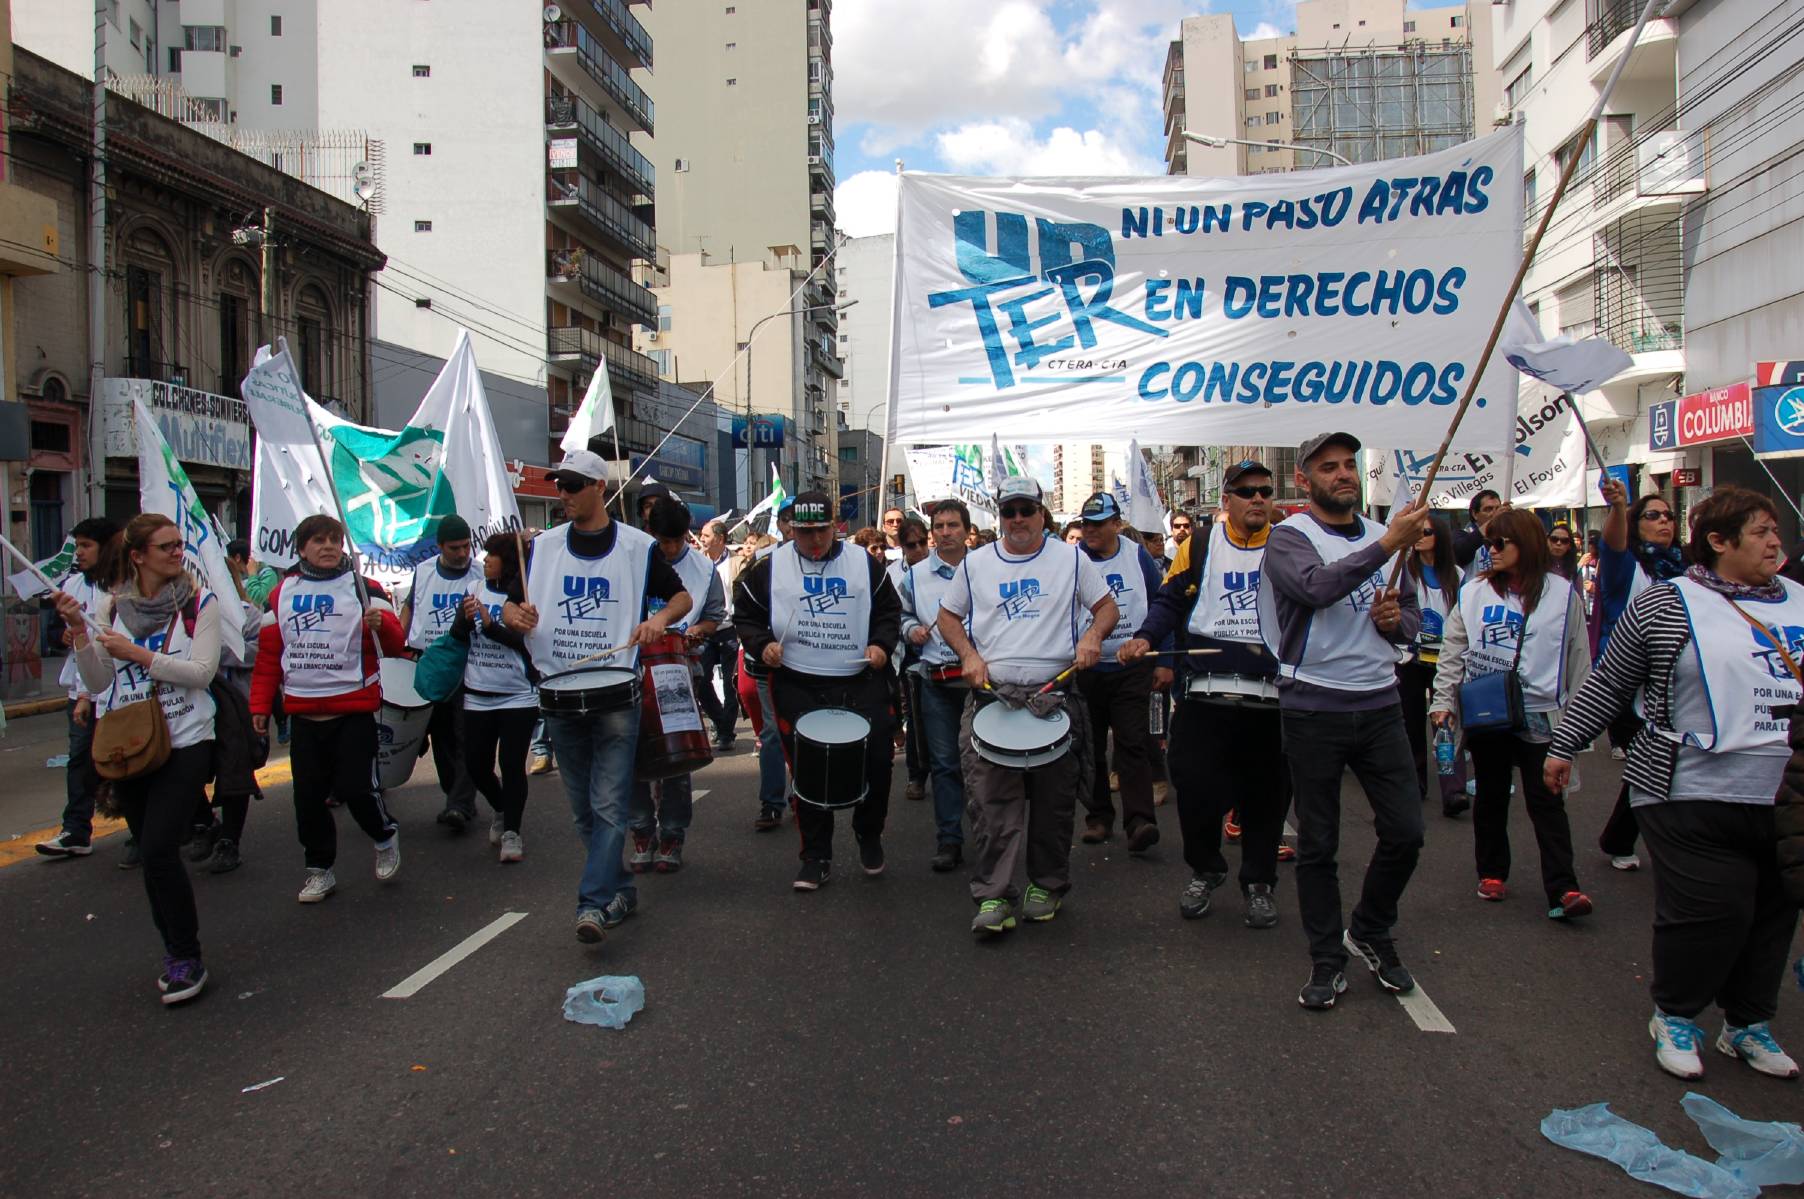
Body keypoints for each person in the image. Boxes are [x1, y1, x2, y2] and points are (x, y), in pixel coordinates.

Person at [1546, 486, 1801, 1081]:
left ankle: (1747, 1024)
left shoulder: (1800, 602)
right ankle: (1677, 1015)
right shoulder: (1666, 604)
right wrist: (1564, 745)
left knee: (1774, 911)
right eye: (1759, 531)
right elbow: (1611, 682)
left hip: (1785, 795)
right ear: (1718, 542)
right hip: (1686, 788)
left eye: (1774, 530)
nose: (1773, 541)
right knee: (1715, 909)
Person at [1258, 431, 1433, 1010]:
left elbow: (1410, 618)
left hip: (1381, 704)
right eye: (1328, 467)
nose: (1343, 475)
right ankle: (1327, 960)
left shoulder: (1389, 538)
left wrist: (1393, 622)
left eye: (1349, 465)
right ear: (1305, 479)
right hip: (1313, 706)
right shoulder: (1290, 537)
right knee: (1319, 844)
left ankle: (1372, 929)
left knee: (1406, 831)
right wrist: (1388, 549)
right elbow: (1315, 588)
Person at [500, 450, 691, 943]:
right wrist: (509, 615)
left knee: (608, 805)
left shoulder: (636, 547)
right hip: (558, 694)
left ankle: (592, 903)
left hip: (615, 695)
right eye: (558, 485)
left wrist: (657, 620)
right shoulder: (539, 547)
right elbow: (503, 604)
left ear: (598, 489)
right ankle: (620, 890)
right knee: (584, 810)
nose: (561, 494)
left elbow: (681, 597)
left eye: (571, 485)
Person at [936, 477, 1118, 934]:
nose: (1017, 519)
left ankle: (1047, 885)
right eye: (1009, 511)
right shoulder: (976, 564)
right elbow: (947, 617)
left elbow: (1106, 608)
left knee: (1054, 805)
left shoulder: (1071, 559)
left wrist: (1094, 637)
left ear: (1042, 514)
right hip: (993, 697)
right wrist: (970, 656)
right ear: (999, 517)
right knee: (991, 805)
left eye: (1026, 510)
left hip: (1054, 695)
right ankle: (994, 896)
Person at [56, 513, 221, 1005]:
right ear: (138, 555)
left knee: (155, 849)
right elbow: (100, 679)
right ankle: (175, 949)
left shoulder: (199, 603)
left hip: (186, 740)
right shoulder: (109, 605)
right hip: (130, 743)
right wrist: (81, 634)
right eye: (166, 547)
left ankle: (186, 957)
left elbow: (203, 672)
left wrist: (140, 654)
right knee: (155, 858)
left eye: (178, 545)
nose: (176, 553)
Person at [1121, 459, 1289, 928]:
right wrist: (1146, 639)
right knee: (1195, 789)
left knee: (1266, 797)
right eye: (1247, 490)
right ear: (1227, 500)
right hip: (1204, 698)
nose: (1258, 498)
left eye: (1264, 490)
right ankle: (1205, 868)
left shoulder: (1289, 544)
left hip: (1270, 699)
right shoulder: (1197, 545)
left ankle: (1259, 882)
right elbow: (1170, 601)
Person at [1430, 510, 1593, 918]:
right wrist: (1443, 703)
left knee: (1547, 801)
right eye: (1489, 543)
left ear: (1528, 544)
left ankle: (1563, 888)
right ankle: (1491, 872)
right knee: (1490, 793)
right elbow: (1454, 651)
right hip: (1489, 712)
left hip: (1542, 714)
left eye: (1502, 543)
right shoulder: (1475, 591)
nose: (1492, 550)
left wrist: (1580, 725)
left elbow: (1579, 658)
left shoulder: (1562, 593)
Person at [734, 491, 900, 890]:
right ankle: (815, 855)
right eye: (805, 532)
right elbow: (747, 613)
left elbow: (888, 611)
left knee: (877, 760)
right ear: (791, 528)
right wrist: (762, 645)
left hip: (859, 679)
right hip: (798, 681)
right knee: (808, 770)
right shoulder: (769, 567)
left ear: (835, 526)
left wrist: (880, 644)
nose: (814, 540)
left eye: (822, 530)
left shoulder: (863, 563)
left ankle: (869, 831)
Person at [249, 515, 407, 903]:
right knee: (308, 797)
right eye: (318, 540)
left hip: (353, 709)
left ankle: (384, 834)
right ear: (301, 548)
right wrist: (259, 704)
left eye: (334, 540)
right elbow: (270, 654)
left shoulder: (365, 588)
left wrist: (381, 623)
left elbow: (396, 645)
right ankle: (319, 869)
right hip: (303, 713)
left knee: (357, 788)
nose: (328, 547)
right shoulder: (282, 592)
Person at [628, 497, 726, 875]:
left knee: (675, 758)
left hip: (680, 670)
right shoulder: (635, 557)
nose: (669, 549)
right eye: (662, 541)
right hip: (634, 669)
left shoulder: (703, 568)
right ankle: (640, 830)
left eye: (675, 542)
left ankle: (671, 834)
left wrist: (698, 631)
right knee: (632, 755)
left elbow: (714, 614)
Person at [1594, 482, 1688, 870]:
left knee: (1658, 760)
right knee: (1652, 757)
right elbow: (1613, 543)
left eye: (1668, 515)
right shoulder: (1625, 566)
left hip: (1676, 679)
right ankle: (1628, 838)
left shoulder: (1686, 569)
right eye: (1653, 515)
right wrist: (1618, 506)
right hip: (1632, 683)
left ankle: (1618, 836)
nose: (1663, 521)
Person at [1074, 491, 1168, 851]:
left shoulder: (1136, 555)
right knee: (1092, 746)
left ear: (1117, 524)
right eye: (1086, 524)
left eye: (1098, 524)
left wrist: (1164, 661)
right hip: (1088, 668)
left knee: (1132, 741)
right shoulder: (1072, 560)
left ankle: (1140, 821)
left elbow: (1161, 604)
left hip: (1132, 666)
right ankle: (1098, 817)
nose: (1091, 531)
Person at [35, 517, 120, 861]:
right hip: (82, 688)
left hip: (115, 692)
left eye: (86, 546)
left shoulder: (120, 588)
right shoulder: (72, 584)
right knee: (80, 760)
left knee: (125, 759)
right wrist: (68, 634)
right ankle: (76, 829)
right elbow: (68, 638)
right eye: (77, 545)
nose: (79, 553)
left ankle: (147, 830)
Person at [453, 533, 537, 864]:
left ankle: (512, 831)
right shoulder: (475, 589)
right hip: (477, 693)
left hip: (518, 694)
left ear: (509, 560)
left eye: (492, 555)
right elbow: (458, 636)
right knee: (475, 764)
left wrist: (490, 625)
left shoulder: (527, 596)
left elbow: (526, 644)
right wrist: (464, 619)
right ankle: (501, 807)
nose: (485, 560)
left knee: (512, 765)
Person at [900, 500, 974, 871]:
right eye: (939, 526)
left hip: (982, 684)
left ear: (966, 530)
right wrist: (909, 629)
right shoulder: (915, 575)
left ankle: (991, 835)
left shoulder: (986, 568)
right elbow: (902, 614)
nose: (945, 532)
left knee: (984, 765)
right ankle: (949, 839)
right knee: (945, 764)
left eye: (952, 525)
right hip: (937, 681)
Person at [186, 557, 267, 875]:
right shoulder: (183, 618)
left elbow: (258, 652)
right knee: (187, 768)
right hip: (193, 706)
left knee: (235, 772)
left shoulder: (247, 615)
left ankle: (229, 841)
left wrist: (214, 651)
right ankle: (204, 822)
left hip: (237, 706)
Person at [399, 515, 480, 831]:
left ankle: (459, 804)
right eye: (455, 548)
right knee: (441, 736)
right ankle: (457, 798)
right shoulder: (424, 571)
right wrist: (397, 644)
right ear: (440, 546)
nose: (462, 553)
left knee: (466, 737)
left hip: (467, 665)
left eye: (466, 546)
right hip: (431, 666)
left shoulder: (478, 572)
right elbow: (409, 608)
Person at [1396, 512, 1469, 816]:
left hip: (1446, 660)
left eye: (1427, 531)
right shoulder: (1404, 572)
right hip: (1411, 659)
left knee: (1446, 724)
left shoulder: (1457, 576)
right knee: (1411, 724)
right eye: (1417, 532)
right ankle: (1415, 784)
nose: (1421, 536)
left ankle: (1453, 789)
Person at [696, 519, 741, 750]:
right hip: (705, 631)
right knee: (701, 681)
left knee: (730, 685)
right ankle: (720, 721)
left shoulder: (737, 563)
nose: (701, 539)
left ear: (720, 539)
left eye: (706, 535)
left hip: (730, 632)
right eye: (701, 535)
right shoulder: (697, 564)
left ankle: (725, 733)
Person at [1452, 489, 1503, 571]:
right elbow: (1459, 552)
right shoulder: (1461, 535)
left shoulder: (1504, 537)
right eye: (1488, 509)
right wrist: (1493, 522)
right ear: (1475, 514)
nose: (1494, 513)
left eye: (1498, 508)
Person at [227, 538, 281, 610]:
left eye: (229, 560)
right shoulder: (237, 576)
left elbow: (256, 601)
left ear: (237, 558)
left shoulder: (269, 575)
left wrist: (252, 575)